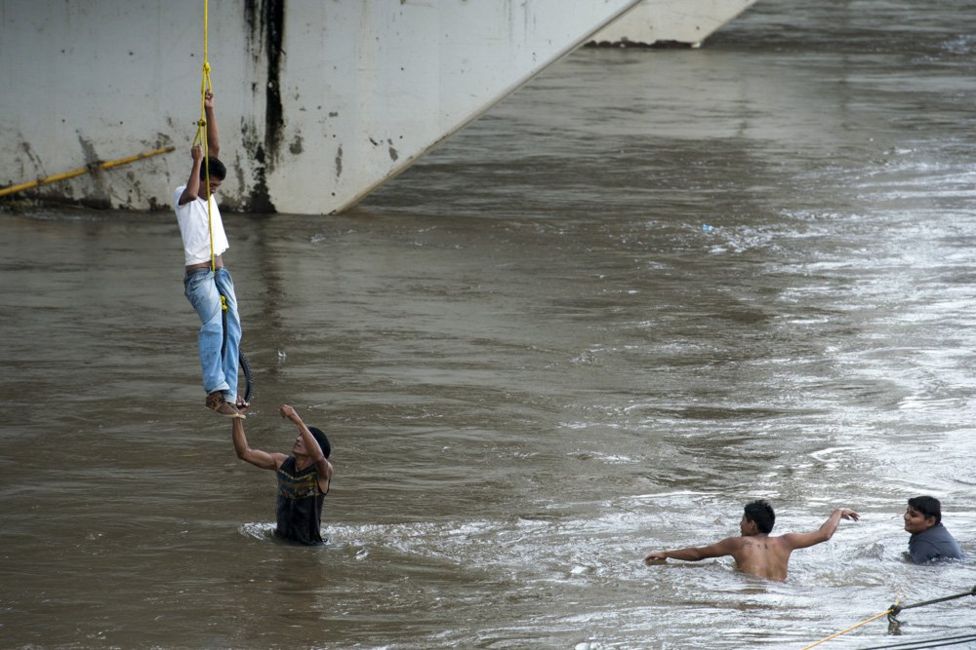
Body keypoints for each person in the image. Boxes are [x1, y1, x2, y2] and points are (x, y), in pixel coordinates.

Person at [174, 90, 244, 418]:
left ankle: (230, 393)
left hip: (221, 274)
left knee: (233, 329)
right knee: (214, 327)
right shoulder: (185, 195)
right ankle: (214, 391)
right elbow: (191, 191)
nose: (211, 191)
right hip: (199, 277)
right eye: (209, 186)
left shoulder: (209, 193)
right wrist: (197, 162)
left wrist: (209, 108)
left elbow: (214, 149)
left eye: (216, 188)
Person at [643, 500, 860, 581]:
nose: (740, 524)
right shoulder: (786, 541)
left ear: (752, 524)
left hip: (752, 600)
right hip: (782, 595)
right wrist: (838, 512)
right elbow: (824, 534)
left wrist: (667, 553)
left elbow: (698, 554)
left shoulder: (740, 544)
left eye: (743, 520)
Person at [231, 404, 334, 545]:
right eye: (299, 436)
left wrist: (296, 420)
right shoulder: (281, 463)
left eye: (303, 438)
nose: (298, 439)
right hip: (280, 540)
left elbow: (319, 457)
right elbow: (244, 453)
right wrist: (237, 416)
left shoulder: (322, 472)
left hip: (308, 547)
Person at [903, 496, 964, 564]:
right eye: (907, 512)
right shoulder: (939, 530)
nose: (906, 517)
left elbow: (920, 570)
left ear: (930, 521)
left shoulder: (924, 543)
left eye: (913, 515)